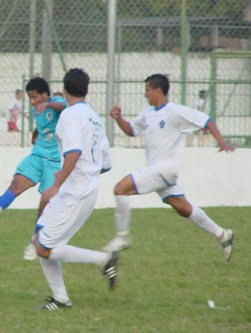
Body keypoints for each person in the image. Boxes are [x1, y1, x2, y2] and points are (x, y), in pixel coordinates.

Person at [102, 73, 235, 262]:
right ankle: (222, 234)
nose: (145, 94)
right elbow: (131, 130)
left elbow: (206, 120)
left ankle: (122, 237)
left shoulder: (175, 111)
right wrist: (118, 118)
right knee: (183, 208)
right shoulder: (147, 113)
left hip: (166, 169)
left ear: (158, 90)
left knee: (120, 189)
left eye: (147, 90)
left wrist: (221, 143)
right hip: (158, 171)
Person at [34, 68, 117, 310]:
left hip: (75, 192)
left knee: (44, 247)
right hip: (79, 189)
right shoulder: (95, 118)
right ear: (86, 89)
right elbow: (106, 164)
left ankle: (102, 260)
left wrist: (56, 185)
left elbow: (73, 153)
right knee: (39, 235)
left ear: (64, 89)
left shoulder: (70, 115)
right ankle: (60, 298)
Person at [0, 77, 66, 261]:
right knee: (16, 183)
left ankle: (34, 242)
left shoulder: (56, 102)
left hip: (55, 162)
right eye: (30, 98)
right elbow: (43, 125)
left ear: (45, 94)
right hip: (37, 156)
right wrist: (36, 133)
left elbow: (64, 107)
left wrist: (49, 104)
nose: (33, 102)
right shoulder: (37, 109)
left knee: (46, 204)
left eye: (35, 97)